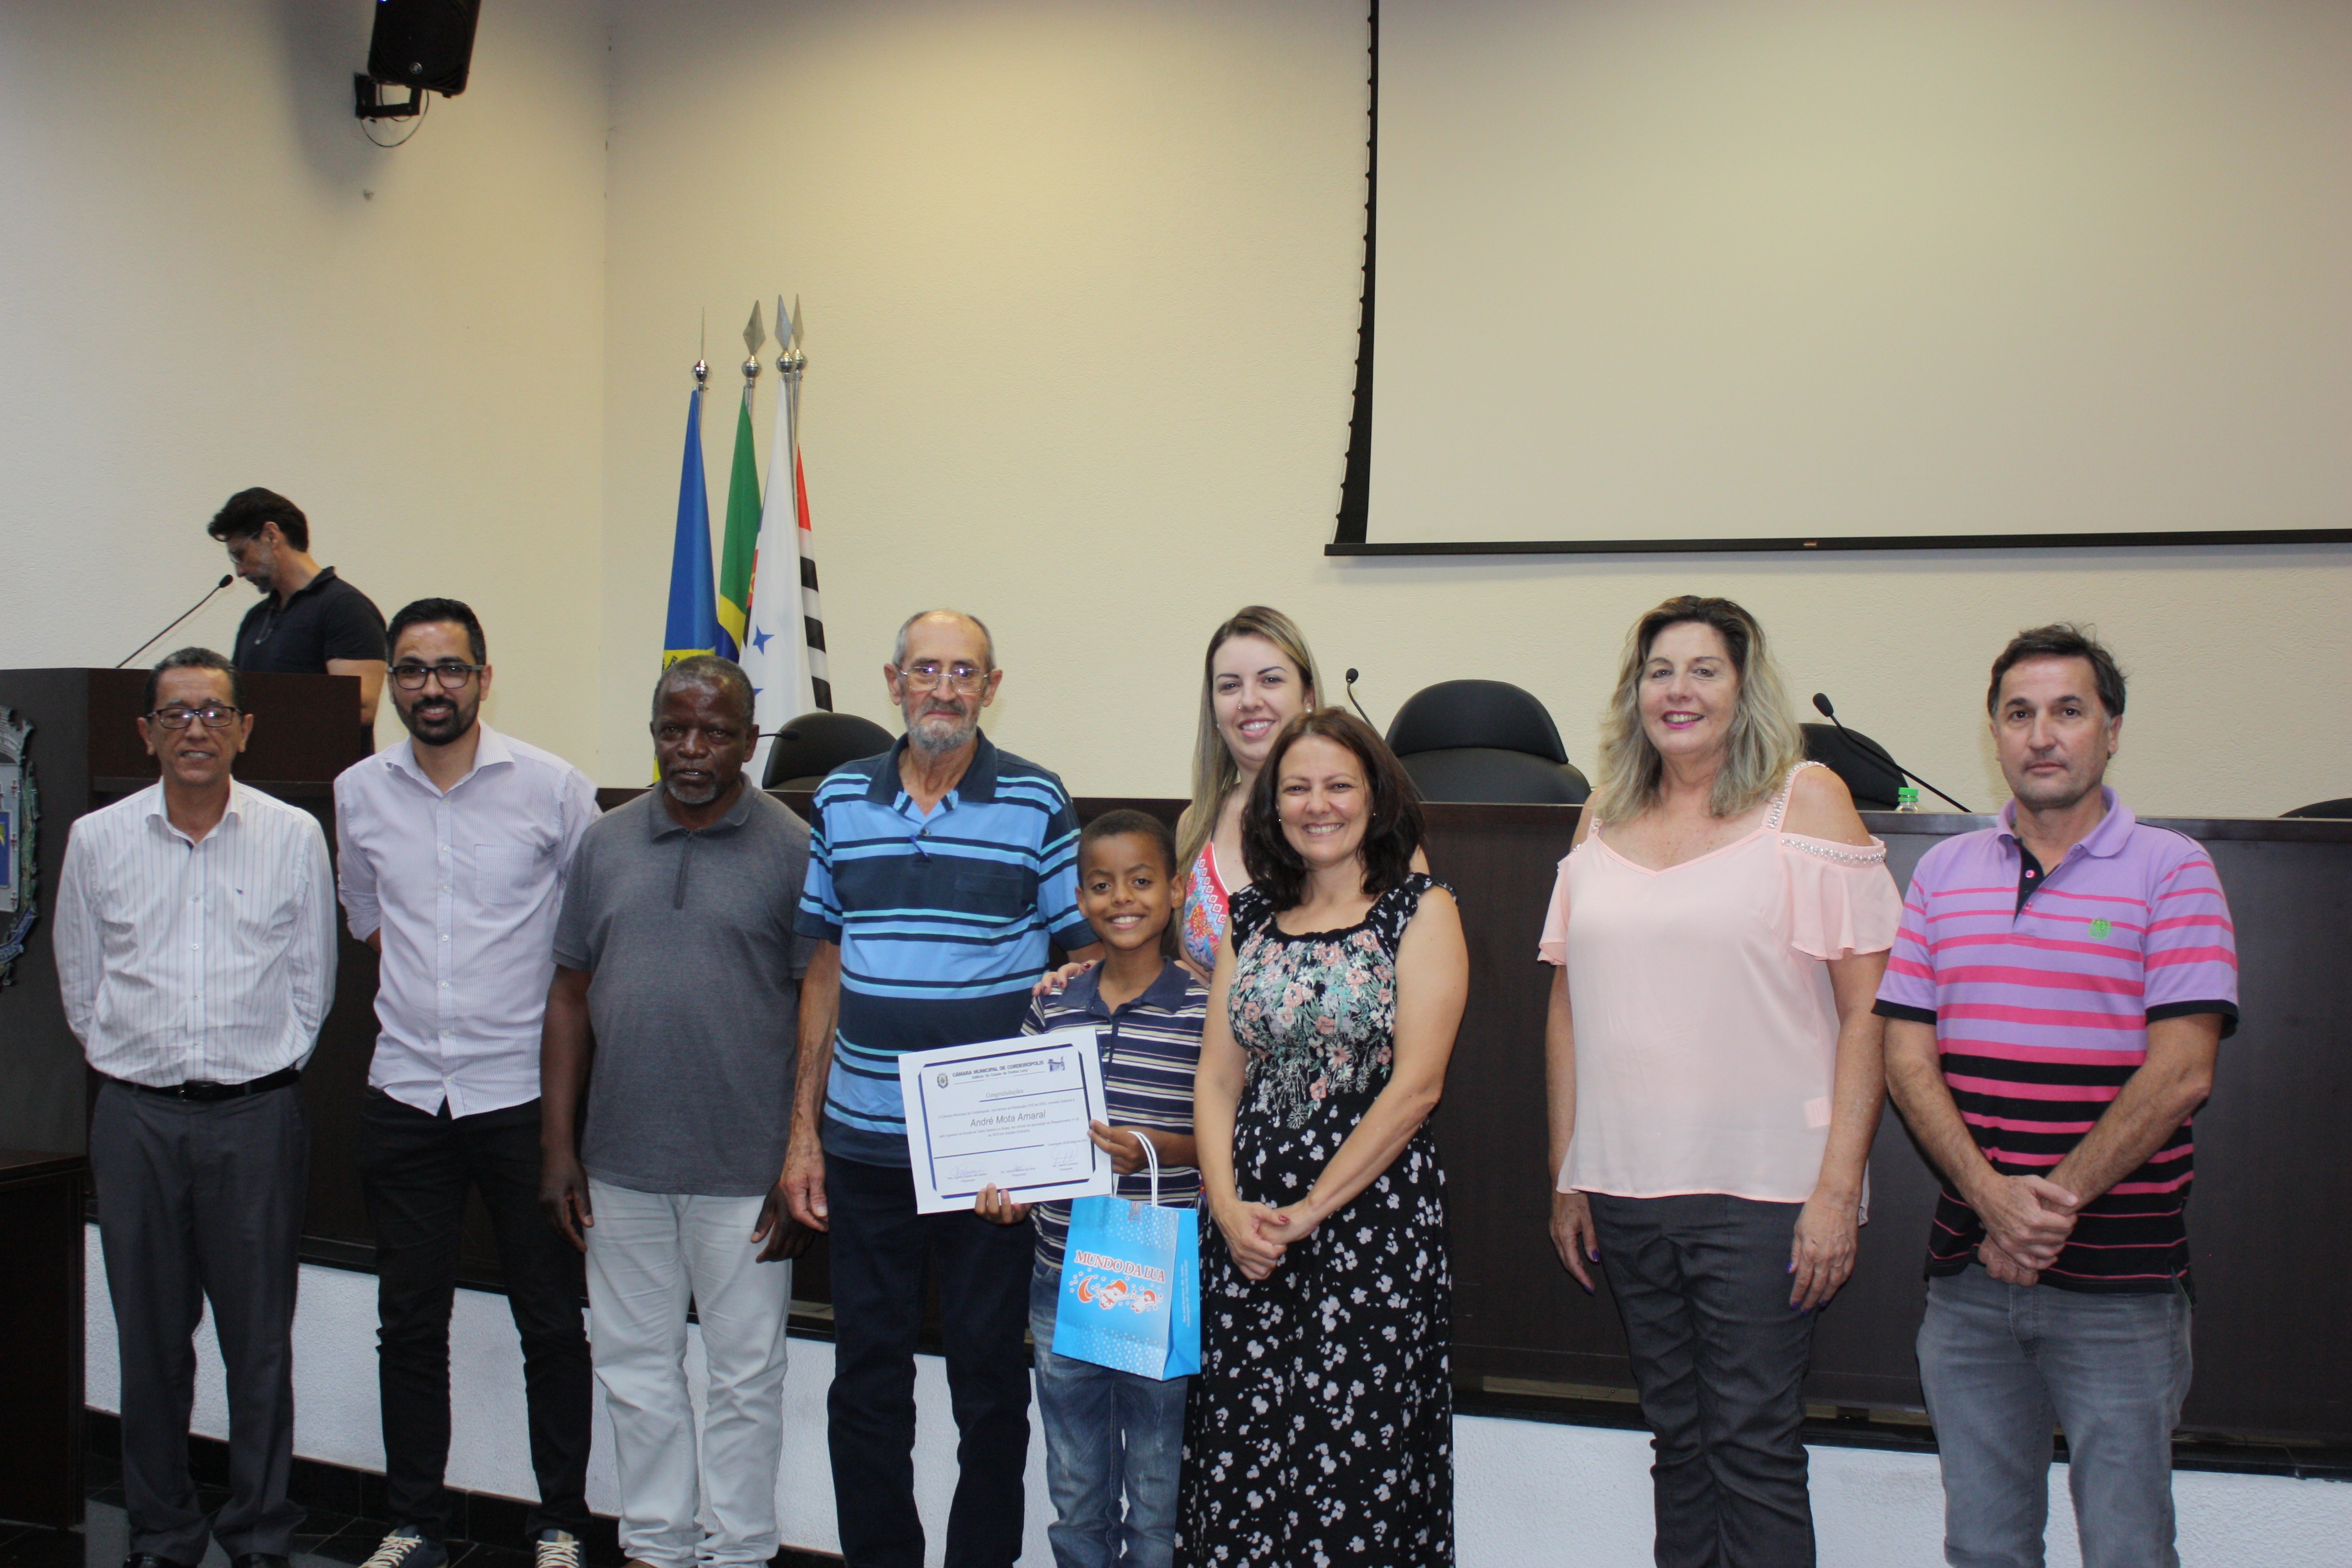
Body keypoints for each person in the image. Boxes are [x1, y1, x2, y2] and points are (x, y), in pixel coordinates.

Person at [1539, 594, 1899, 1568]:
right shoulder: (1602, 814)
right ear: (1634, 693)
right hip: (1624, 1188)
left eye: (1705, 669)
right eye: (1659, 670)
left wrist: (1838, 1189)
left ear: (1744, 688)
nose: (1679, 690)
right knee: (1679, 1440)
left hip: (1766, 1193)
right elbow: (1568, 1005)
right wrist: (1569, 1170)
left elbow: (1871, 1008)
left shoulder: (1806, 799)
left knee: (1751, 1446)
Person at [1876, 625, 2237, 1568]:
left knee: (2127, 1548)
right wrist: (1990, 1198)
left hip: (2122, 1286)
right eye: (2019, 713)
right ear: (1994, 734)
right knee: (1983, 1546)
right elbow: (1906, 1059)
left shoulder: (2173, 869)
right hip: (1969, 1283)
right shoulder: (1943, 874)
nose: (2041, 734)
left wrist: (2042, 1209)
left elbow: (2183, 1071)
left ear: (2109, 731)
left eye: (2067, 711)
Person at [780, 608, 1101, 1568]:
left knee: (989, 1387)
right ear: (893, 682)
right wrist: (802, 1133)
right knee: (866, 1383)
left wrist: (1044, 1144)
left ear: (991, 688)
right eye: (926, 669)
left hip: (986, 1159)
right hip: (864, 1144)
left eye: (965, 672)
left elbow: (1087, 961)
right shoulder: (841, 796)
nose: (944, 689)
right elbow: (824, 965)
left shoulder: (1036, 799)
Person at [54, 647, 336, 1568]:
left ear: (245, 729)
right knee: (149, 1345)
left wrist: (258, 1071)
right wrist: (137, 1064)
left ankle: (258, 1532)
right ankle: (163, 1531)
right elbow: (81, 979)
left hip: (256, 1119)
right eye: (175, 713)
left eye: (214, 711)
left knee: (259, 1347)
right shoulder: (98, 839)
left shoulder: (293, 835)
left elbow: (313, 986)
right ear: (147, 733)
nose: (196, 729)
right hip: (136, 1119)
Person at [332, 599, 600, 1568]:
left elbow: (587, 936)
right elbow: (367, 917)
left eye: (450, 668)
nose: (431, 687)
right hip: (405, 1092)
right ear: (393, 682)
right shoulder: (358, 791)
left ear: (484, 677)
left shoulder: (553, 788)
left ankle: (561, 1521)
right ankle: (414, 1521)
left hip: (524, 1099)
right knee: (409, 1321)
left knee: (549, 1320)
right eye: (412, 670)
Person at [538, 656, 816, 1568]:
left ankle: (739, 1551)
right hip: (620, 1164)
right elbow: (569, 995)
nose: (692, 748)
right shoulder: (604, 843)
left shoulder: (794, 849)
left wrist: (800, 1157)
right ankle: (656, 1545)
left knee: (746, 1378)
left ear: (750, 739)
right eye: (674, 728)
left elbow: (822, 1011)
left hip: (748, 1174)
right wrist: (558, 1147)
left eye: (715, 731)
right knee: (634, 1370)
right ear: (654, 730)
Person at [1181, 707, 1467, 1568]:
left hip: (1368, 1231)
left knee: (1353, 1461)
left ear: (1376, 798)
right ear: (1272, 806)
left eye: (1339, 785)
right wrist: (1227, 1208)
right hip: (1247, 1238)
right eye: (1297, 788)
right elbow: (1217, 1079)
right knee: (1242, 1454)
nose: (1318, 805)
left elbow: (1417, 1088)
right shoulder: (1251, 917)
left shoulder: (1421, 909)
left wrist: (1309, 1211)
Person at [974, 808, 1206, 1568]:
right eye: (1102, 885)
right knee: (1076, 1486)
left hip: (1155, 1269)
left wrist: (1151, 1150)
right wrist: (1003, 1192)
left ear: (1175, 890)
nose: (1122, 899)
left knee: (1157, 1487)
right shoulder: (1053, 1002)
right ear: (1079, 900)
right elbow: (1014, 1131)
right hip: (1061, 1267)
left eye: (1141, 881)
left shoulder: (1207, 1008)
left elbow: (1230, 1144)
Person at [1173, 607, 1324, 972]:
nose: (1250, 700)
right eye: (1230, 686)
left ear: (1308, 697)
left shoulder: (1359, 819)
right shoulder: (1196, 824)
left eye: (1270, 680)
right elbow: (1192, 971)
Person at [208, 486, 388, 729]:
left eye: (240, 554)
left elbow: (360, 708)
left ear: (271, 536)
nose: (239, 571)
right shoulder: (256, 618)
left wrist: (268, 709)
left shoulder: (346, 607)